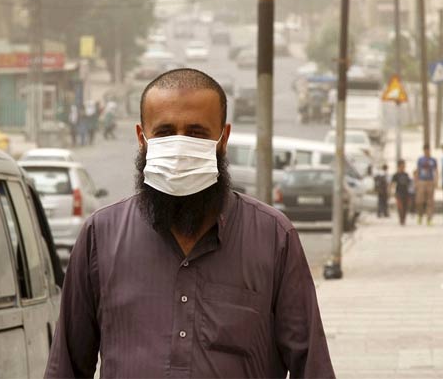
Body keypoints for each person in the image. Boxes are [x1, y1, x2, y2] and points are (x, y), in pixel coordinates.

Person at [44, 68, 335, 379]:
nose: (180, 147)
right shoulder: (100, 237)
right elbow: (68, 368)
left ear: (223, 139)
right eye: (166, 132)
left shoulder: (274, 238)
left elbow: (311, 367)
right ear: (142, 139)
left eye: (196, 133)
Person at [415, 143, 438, 225]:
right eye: (425, 150)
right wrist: (416, 182)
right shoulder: (420, 160)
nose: (427, 151)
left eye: (428, 150)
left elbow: (435, 171)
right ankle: (420, 215)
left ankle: (429, 218)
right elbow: (417, 171)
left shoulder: (433, 160)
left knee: (430, 201)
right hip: (422, 181)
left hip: (430, 181)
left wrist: (436, 181)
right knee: (420, 201)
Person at [391, 159, 412, 226]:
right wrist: (391, 192)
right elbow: (393, 184)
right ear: (398, 166)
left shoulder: (406, 174)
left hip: (406, 193)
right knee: (400, 207)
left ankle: (403, 219)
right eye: (402, 166)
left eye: (404, 166)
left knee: (405, 207)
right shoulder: (396, 175)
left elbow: (409, 183)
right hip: (398, 193)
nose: (403, 167)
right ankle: (401, 219)